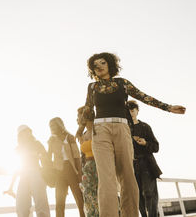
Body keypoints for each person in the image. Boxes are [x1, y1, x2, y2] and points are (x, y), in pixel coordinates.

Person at [76, 52, 186, 217]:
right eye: (95, 64)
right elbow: (87, 110)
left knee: (127, 176)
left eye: (102, 63)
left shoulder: (122, 83)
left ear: (110, 66)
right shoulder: (92, 87)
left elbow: (143, 97)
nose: (98, 66)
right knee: (106, 180)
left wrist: (168, 107)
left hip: (121, 128)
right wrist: (79, 131)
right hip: (101, 132)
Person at [4, 125, 51, 217]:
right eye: (25, 131)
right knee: (21, 206)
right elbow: (17, 168)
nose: (28, 133)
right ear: (20, 135)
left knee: (41, 206)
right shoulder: (19, 148)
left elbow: (46, 160)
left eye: (29, 131)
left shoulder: (37, 144)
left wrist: (37, 155)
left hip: (36, 174)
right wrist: (11, 187)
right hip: (23, 176)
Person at [127, 100, 162, 217]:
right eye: (128, 111)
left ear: (137, 111)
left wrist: (145, 143)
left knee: (148, 193)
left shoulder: (145, 127)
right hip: (131, 165)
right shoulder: (124, 129)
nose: (131, 113)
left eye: (132, 110)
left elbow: (156, 147)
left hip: (147, 164)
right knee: (137, 196)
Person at [48, 117, 85, 217]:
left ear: (59, 125)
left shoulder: (69, 137)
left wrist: (79, 174)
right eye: (50, 126)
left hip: (71, 170)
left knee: (80, 200)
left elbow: (77, 157)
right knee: (59, 202)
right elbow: (48, 158)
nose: (51, 127)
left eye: (53, 125)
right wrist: (49, 144)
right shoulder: (52, 140)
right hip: (59, 172)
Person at [77, 106, 99, 217]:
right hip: (88, 167)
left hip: (99, 166)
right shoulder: (83, 134)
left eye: (78, 116)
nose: (77, 119)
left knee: (100, 195)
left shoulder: (98, 130)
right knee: (88, 195)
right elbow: (83, 156)